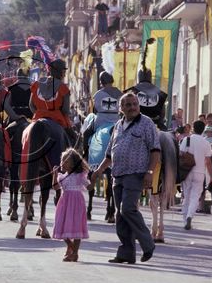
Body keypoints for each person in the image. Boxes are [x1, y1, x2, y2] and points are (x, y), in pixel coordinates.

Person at [91, 93, 159, 264]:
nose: (132, 107)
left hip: (135, 174)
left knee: (128, 208)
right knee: (120, 215)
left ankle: (148, 243)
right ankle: (126, 252)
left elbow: (155, 151)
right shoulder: (118, 126)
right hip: (117, 174)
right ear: (121, 109)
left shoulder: (147, 124)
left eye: (134, 104)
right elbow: (109, 154)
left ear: (139, 105)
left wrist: (149, 173)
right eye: (128, 105)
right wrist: (98, 171)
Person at [52, 148, 93, 262]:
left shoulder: (80, 176)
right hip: (64, 204)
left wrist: (92, 179)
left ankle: (75, 253)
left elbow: (89, 187)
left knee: (76, 227)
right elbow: (55, 187)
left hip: (77, 205)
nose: (62, 163)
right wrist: (54, 174)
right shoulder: (62, 176)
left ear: (73, 164)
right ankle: (71, 246)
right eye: (62, 160)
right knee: (62, 225)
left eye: (65, 161)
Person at [179, 120, 212, 230]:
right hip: (200, 172)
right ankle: (190, 216)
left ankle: (185, 219)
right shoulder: (206, 143)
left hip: (187, 171)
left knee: (186, 196)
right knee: (195, 196)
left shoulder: (187, 139)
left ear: (193, 128)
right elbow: (208, 162)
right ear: (203, 129)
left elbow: (181, 154)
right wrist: (211, 177)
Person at [29, 59, 73, 132]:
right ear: (60, 72)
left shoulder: (36, 84)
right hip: (57, 120)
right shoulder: (63, 88)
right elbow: (65, 111)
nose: (65, 75)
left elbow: (31, 105)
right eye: (64, 72)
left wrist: (41, 113)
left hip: (38, 118)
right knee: (72, 138)